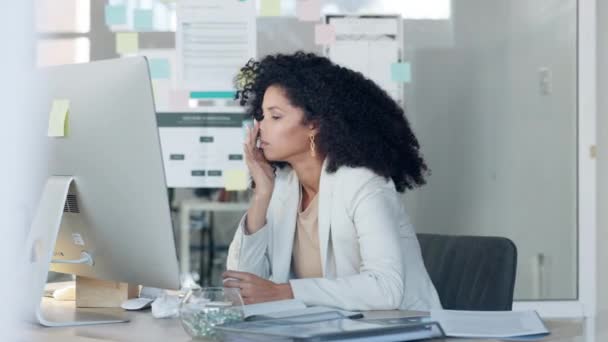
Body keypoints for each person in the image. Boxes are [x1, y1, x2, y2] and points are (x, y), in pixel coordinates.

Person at [223, 51, 441, 311]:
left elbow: (385, 289)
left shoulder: (363, 183)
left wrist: (285, 292)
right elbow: (241, 286)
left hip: (400, 329)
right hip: (326, 331)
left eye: (276, 116)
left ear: (314, 124)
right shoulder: (282, 187)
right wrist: (261, 194)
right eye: (261, 115)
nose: (260, 127)